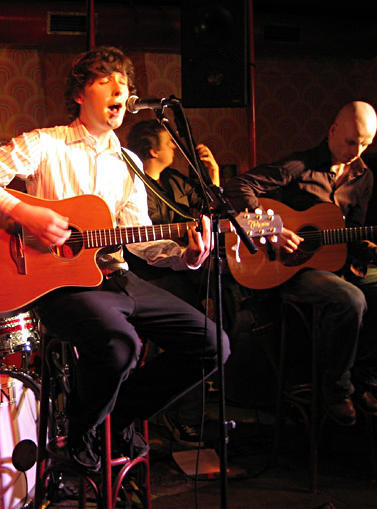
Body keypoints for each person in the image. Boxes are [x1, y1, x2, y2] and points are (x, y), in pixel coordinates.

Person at [0, 46, 229, 470]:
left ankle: (117, 417)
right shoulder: (46, 144)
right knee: (121, 347)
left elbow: (140, 241)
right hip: (60, 285)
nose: (120, 87)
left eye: (125, 82)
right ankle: (80, 434)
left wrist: (187, 254)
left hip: (117, 279)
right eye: (106, 79)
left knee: (212, 345)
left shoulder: (130, 163)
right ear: (80, 94)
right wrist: (27, 212)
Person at [223, 101, 377, 426]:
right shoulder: (300, 165)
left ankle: (365, 374)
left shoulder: (364, 176)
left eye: (365, 144)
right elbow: (237, 187)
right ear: (333, 131)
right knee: (350, 299)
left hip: (344, 264)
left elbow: (352, 239)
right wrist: (271, 229)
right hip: (294, 268)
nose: (357, 150)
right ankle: (335, 389)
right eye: (351, 141)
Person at [125, 119, 221, 446]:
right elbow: (141, 246)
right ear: (152, 150)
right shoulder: (132, 185)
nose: (175, 148)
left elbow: (210, 208)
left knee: (226, 295)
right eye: (169, 142)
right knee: (197, 325)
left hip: (183, 267)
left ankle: (196, 402)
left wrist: (213, 177)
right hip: (147, 274)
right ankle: (181, 416)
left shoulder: (175, 180)